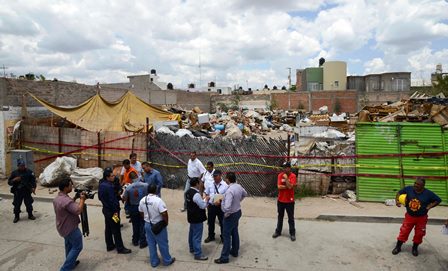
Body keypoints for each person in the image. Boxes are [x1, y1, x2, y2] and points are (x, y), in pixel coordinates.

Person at [392, 177, 442, 256]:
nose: (415, 185)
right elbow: (399, 193)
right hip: (409, 216)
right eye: (415, 183)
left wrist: (430, 206)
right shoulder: (409, 189)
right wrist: (397, 201)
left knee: (419, 234)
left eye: (418, 184)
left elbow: (438, 200)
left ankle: (415, 248)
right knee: (404, 232)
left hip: (422, 218)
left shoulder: (428, 193)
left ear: (423, 186)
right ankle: (398, 247)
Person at [139, 184, 175, 267]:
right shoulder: (158, 201)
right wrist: (165, 223)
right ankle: (167, 260)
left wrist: (146, 219)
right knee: (163, 244)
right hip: (158, 225)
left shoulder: (142, 200)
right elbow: (164, 213)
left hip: (147, 225)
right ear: (156, 191)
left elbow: (141, 212)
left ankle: (154, 262)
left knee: (151, 244)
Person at [214, 172, 247, 264]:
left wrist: (221, 205)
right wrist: (237, 201)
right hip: (237, 212)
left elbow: (227, 207)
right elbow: (245, 194)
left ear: (228, 179)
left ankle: (224, 257)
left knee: (226, 235)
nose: (225, 179)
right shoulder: (238, 186)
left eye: (226, 178)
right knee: (234, 231)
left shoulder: (229, 191)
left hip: (231, 215)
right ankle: (235, 251)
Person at [53, 178, 86, 271]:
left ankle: (71, 262)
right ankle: (65, 269)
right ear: (65, 187)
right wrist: (82, 199)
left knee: (69, 245)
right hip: (70, 228)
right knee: (77, 246)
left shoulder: (57, 199)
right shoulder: (66, 201)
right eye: (70, 185)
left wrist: (75, 198)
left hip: (62, 227)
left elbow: (67, 206)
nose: (72, 186)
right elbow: (78, 210)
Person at [98, 169, 132, 254]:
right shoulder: (109, 187)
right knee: (116, 229)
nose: (114, 177)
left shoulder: (101, 185)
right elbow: (113, 201)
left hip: (106, 210)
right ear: (107, 177)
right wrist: (116, 211)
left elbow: (100, 197)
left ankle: (109, 245)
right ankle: (120, 248)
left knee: (108, 228)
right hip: (113, 212)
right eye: (112, 176)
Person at [122, 171, 148, 248]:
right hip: (143, 207)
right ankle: (143, 241)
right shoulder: (145, 185)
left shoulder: (129, 188)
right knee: (142, 224)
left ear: (130, 179)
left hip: (133, 207)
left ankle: (135, 240)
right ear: (137, 176)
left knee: (135, 224)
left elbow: (124, 198)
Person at [272, 161, 297, 241]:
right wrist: (288, 185)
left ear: (289, 168)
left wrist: (286, 179)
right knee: (280, 216)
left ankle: (292, 233)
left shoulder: (293, 176)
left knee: (291, 218)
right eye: (283, 167)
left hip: (290, 201)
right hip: (281, 200)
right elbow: (279, 187)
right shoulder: (280, 175)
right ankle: (278, 231)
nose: (284, 169)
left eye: (285, 167)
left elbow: (290, 187)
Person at [186, 177, 209, 260]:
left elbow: (194, 202)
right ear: (196, 184)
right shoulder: (196, 194)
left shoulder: (188, 192)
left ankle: (192, 248)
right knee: (197, 236)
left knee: (191, 233)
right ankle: (198, 254)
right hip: (197, 218)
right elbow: (202, 206)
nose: (200, 184)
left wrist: (202, 200)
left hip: (191, 216)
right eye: (199, 183)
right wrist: (206, 199)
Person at [8, 158, 36, 223]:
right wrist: (14, 180)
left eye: (23, 165)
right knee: (17, 205)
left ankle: (30, 215)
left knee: (28, 204)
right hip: (18, 192)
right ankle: (16, 216)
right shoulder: (14, 173)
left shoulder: (29, 172)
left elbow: (33, 181)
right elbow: (9, 182)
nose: (23, 167)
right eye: (21, 166)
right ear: (18, 166)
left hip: (26, 191)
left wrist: (33, 188)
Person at [204, 169, 228, 243]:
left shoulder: (225, 185)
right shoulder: (211, 184)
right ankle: (211, 236)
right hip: (211, 206)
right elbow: (206, 192)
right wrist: (206, 197)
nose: (214, 178)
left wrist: (220, 200)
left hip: (220, 207)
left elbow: (227, 197)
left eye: (216, 176)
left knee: (222, 223)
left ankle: (223, 237)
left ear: (220, 175)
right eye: (214, 176)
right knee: (211, 222)